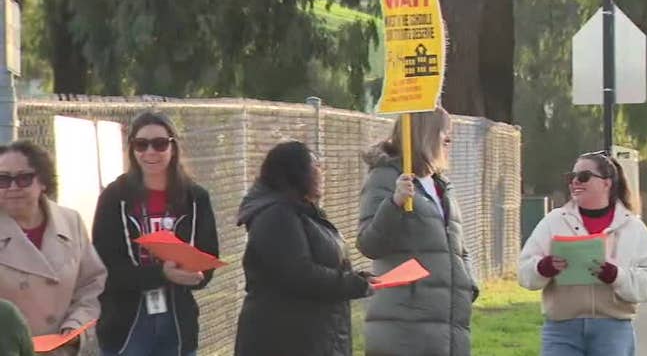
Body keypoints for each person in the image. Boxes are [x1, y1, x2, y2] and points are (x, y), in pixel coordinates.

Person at [92, 112, 219, 356]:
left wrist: (196, 275)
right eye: (141, 144)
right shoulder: (114, 196)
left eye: (160, 144)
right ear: (132, 149)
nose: (150, 152)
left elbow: (208, 258)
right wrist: (162, 274)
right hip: (127, 321)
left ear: (173, 147)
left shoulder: (195, 197)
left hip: (177, 320)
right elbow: (105, 267)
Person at [234, 141, 375, 356]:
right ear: (297, 172)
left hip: (312, 334)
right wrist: (352, 284)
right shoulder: (276, 215)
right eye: (316, 165)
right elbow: (298, 274)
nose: (321, 172)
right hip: (285, 338)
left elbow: (321, 263)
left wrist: (356, 278)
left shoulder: (302, 211)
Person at [518, 150, 647, 356]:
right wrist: (544, 268)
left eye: (584, 176)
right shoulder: (553, 221)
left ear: (607, 183)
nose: (575, 182)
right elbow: (524, 273)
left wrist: (616, 276)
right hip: (561, 329)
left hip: (613, 329)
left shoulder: (632, 227)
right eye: (571, 177)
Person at [357, 107, 477, 356]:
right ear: (426, 134)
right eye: (444, 132)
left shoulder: (442, 186)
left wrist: (468, 285)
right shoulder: (385, 178)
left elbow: (458, 247)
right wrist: (394, 204)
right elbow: (369, 244)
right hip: (405, 326)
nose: (449, 140)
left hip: (448, 329)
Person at [0, 141, 107, 356]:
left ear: (43, 181)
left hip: (64, 349)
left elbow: (91, 284)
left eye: (23, 178)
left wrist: (76, 325)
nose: (13, 187)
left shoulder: (70, 221)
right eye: (3, 179)